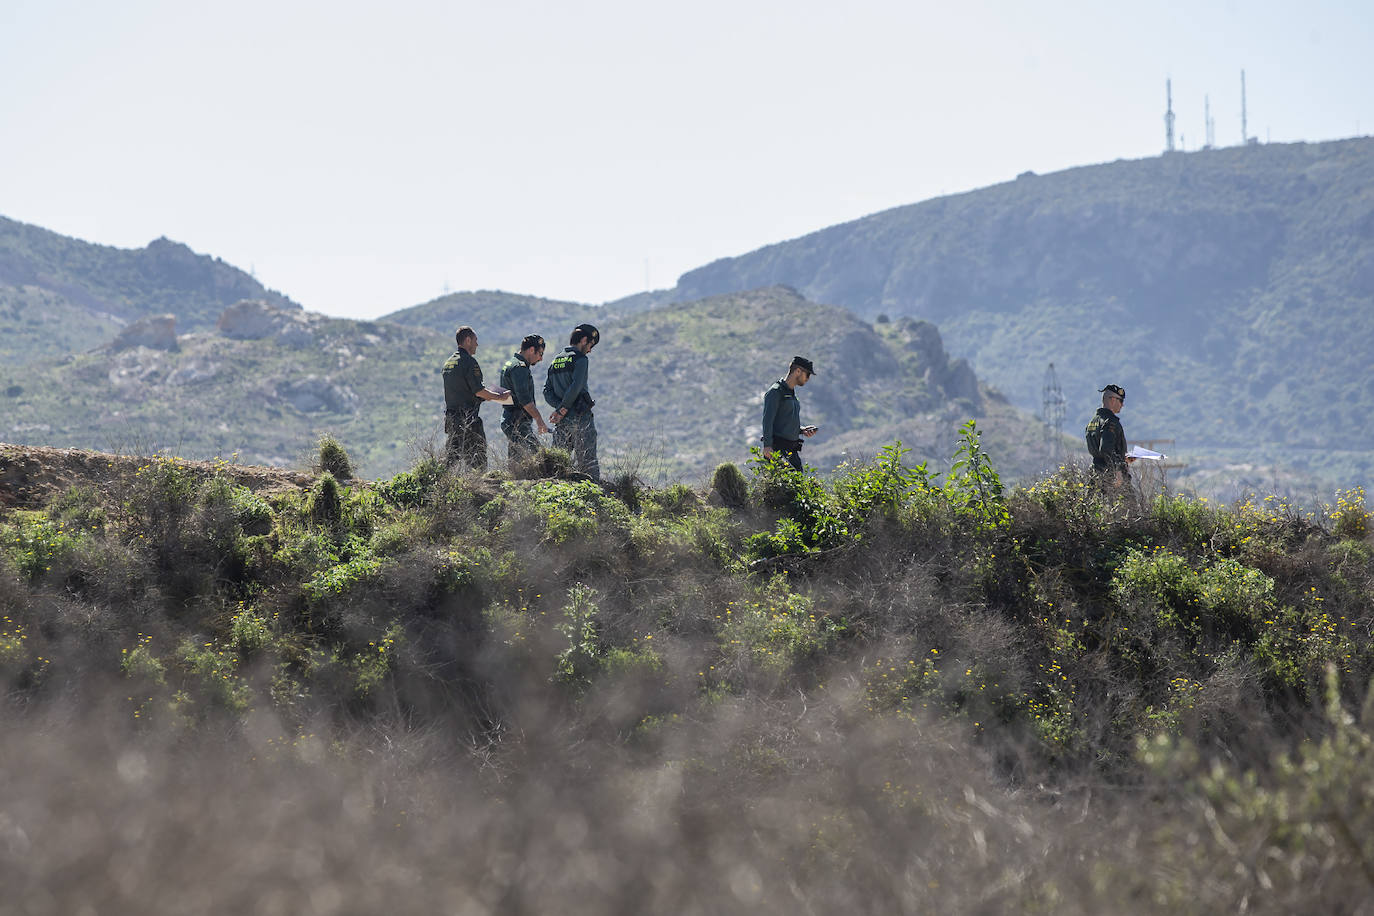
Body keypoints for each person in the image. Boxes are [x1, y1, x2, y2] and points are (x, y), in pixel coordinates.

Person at [544, 323, 601, 482]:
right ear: (583, 340)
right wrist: (563, 409)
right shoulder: (581, 360)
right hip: (581, 419)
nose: (590, 350)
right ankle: (594, 497)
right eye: (590, 345)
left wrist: (559, 409)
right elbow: (575, 387)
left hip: (562, 422)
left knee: (558, 464)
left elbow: (546, 391)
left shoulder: (555, 361)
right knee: (587, 462)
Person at [442, 326, 502, 470]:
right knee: (478, 459)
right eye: (475, 340)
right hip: (468, 420)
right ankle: (479, 489)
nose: (477, 344)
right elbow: (479, 391)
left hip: (451, 419)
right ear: (468, 340)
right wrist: (499, 396)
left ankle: (437, 483)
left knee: (450, 459)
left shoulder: (449, 363)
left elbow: (462, 389)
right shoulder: (469, 362)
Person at [761, 356, 818, 472]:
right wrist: (767, 446)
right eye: (807, 374)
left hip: (792, 452)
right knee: (789, 484)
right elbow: (767, 421)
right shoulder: (776, 392)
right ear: (798, 371)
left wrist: (802, 430)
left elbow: (785, 422)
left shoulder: (792, 395)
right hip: (778, 451)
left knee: (799, 485)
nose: (808, 378)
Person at [499, 334, 550, 465]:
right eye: (540, 353)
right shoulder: (519, 368)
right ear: (531, 350)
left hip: (511, 418)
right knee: (540, 458)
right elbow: (525, 400)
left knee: (516, 461)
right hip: (517, 421)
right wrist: (539, 420)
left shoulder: (511, 363)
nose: (541, 359)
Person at [1085, 383, 1135, 484]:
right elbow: (1106, 450)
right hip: (1110, 476)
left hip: (1096, 473)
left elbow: (1102, 451)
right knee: (1128, 499)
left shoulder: (1093, 421)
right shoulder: (1110, 422)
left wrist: (1123, 457)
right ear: (1112, 400)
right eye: (1120, 401)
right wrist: (1118, 472)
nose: (1122, 404)